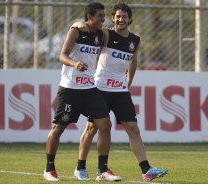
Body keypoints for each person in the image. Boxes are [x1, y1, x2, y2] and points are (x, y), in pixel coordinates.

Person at [72, 3, 168, 182]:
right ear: (113, 18)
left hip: (121, 91)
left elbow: (133, 62)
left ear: (129, 19)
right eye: (117, 16)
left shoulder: (135, 40)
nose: (120, 19)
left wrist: (128, 82)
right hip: (100, 89)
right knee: (92, 128)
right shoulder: (106, 34)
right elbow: (87, 29)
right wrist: (77, 25)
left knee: (133, 128)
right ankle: (80, 167)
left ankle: (146, 170)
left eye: (124, 16)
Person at [43, 2, 121, 182]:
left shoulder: (101, 34)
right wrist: (74, 63)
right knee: (58, 128)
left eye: (104, 16)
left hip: (90, 89)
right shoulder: (75, 31)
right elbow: (62, 55)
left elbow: (117, 32)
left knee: (105, 124)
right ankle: (49, 168)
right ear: (89, 17)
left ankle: (102, 170)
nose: (103, 19)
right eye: (100, 16)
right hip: (70, 89)